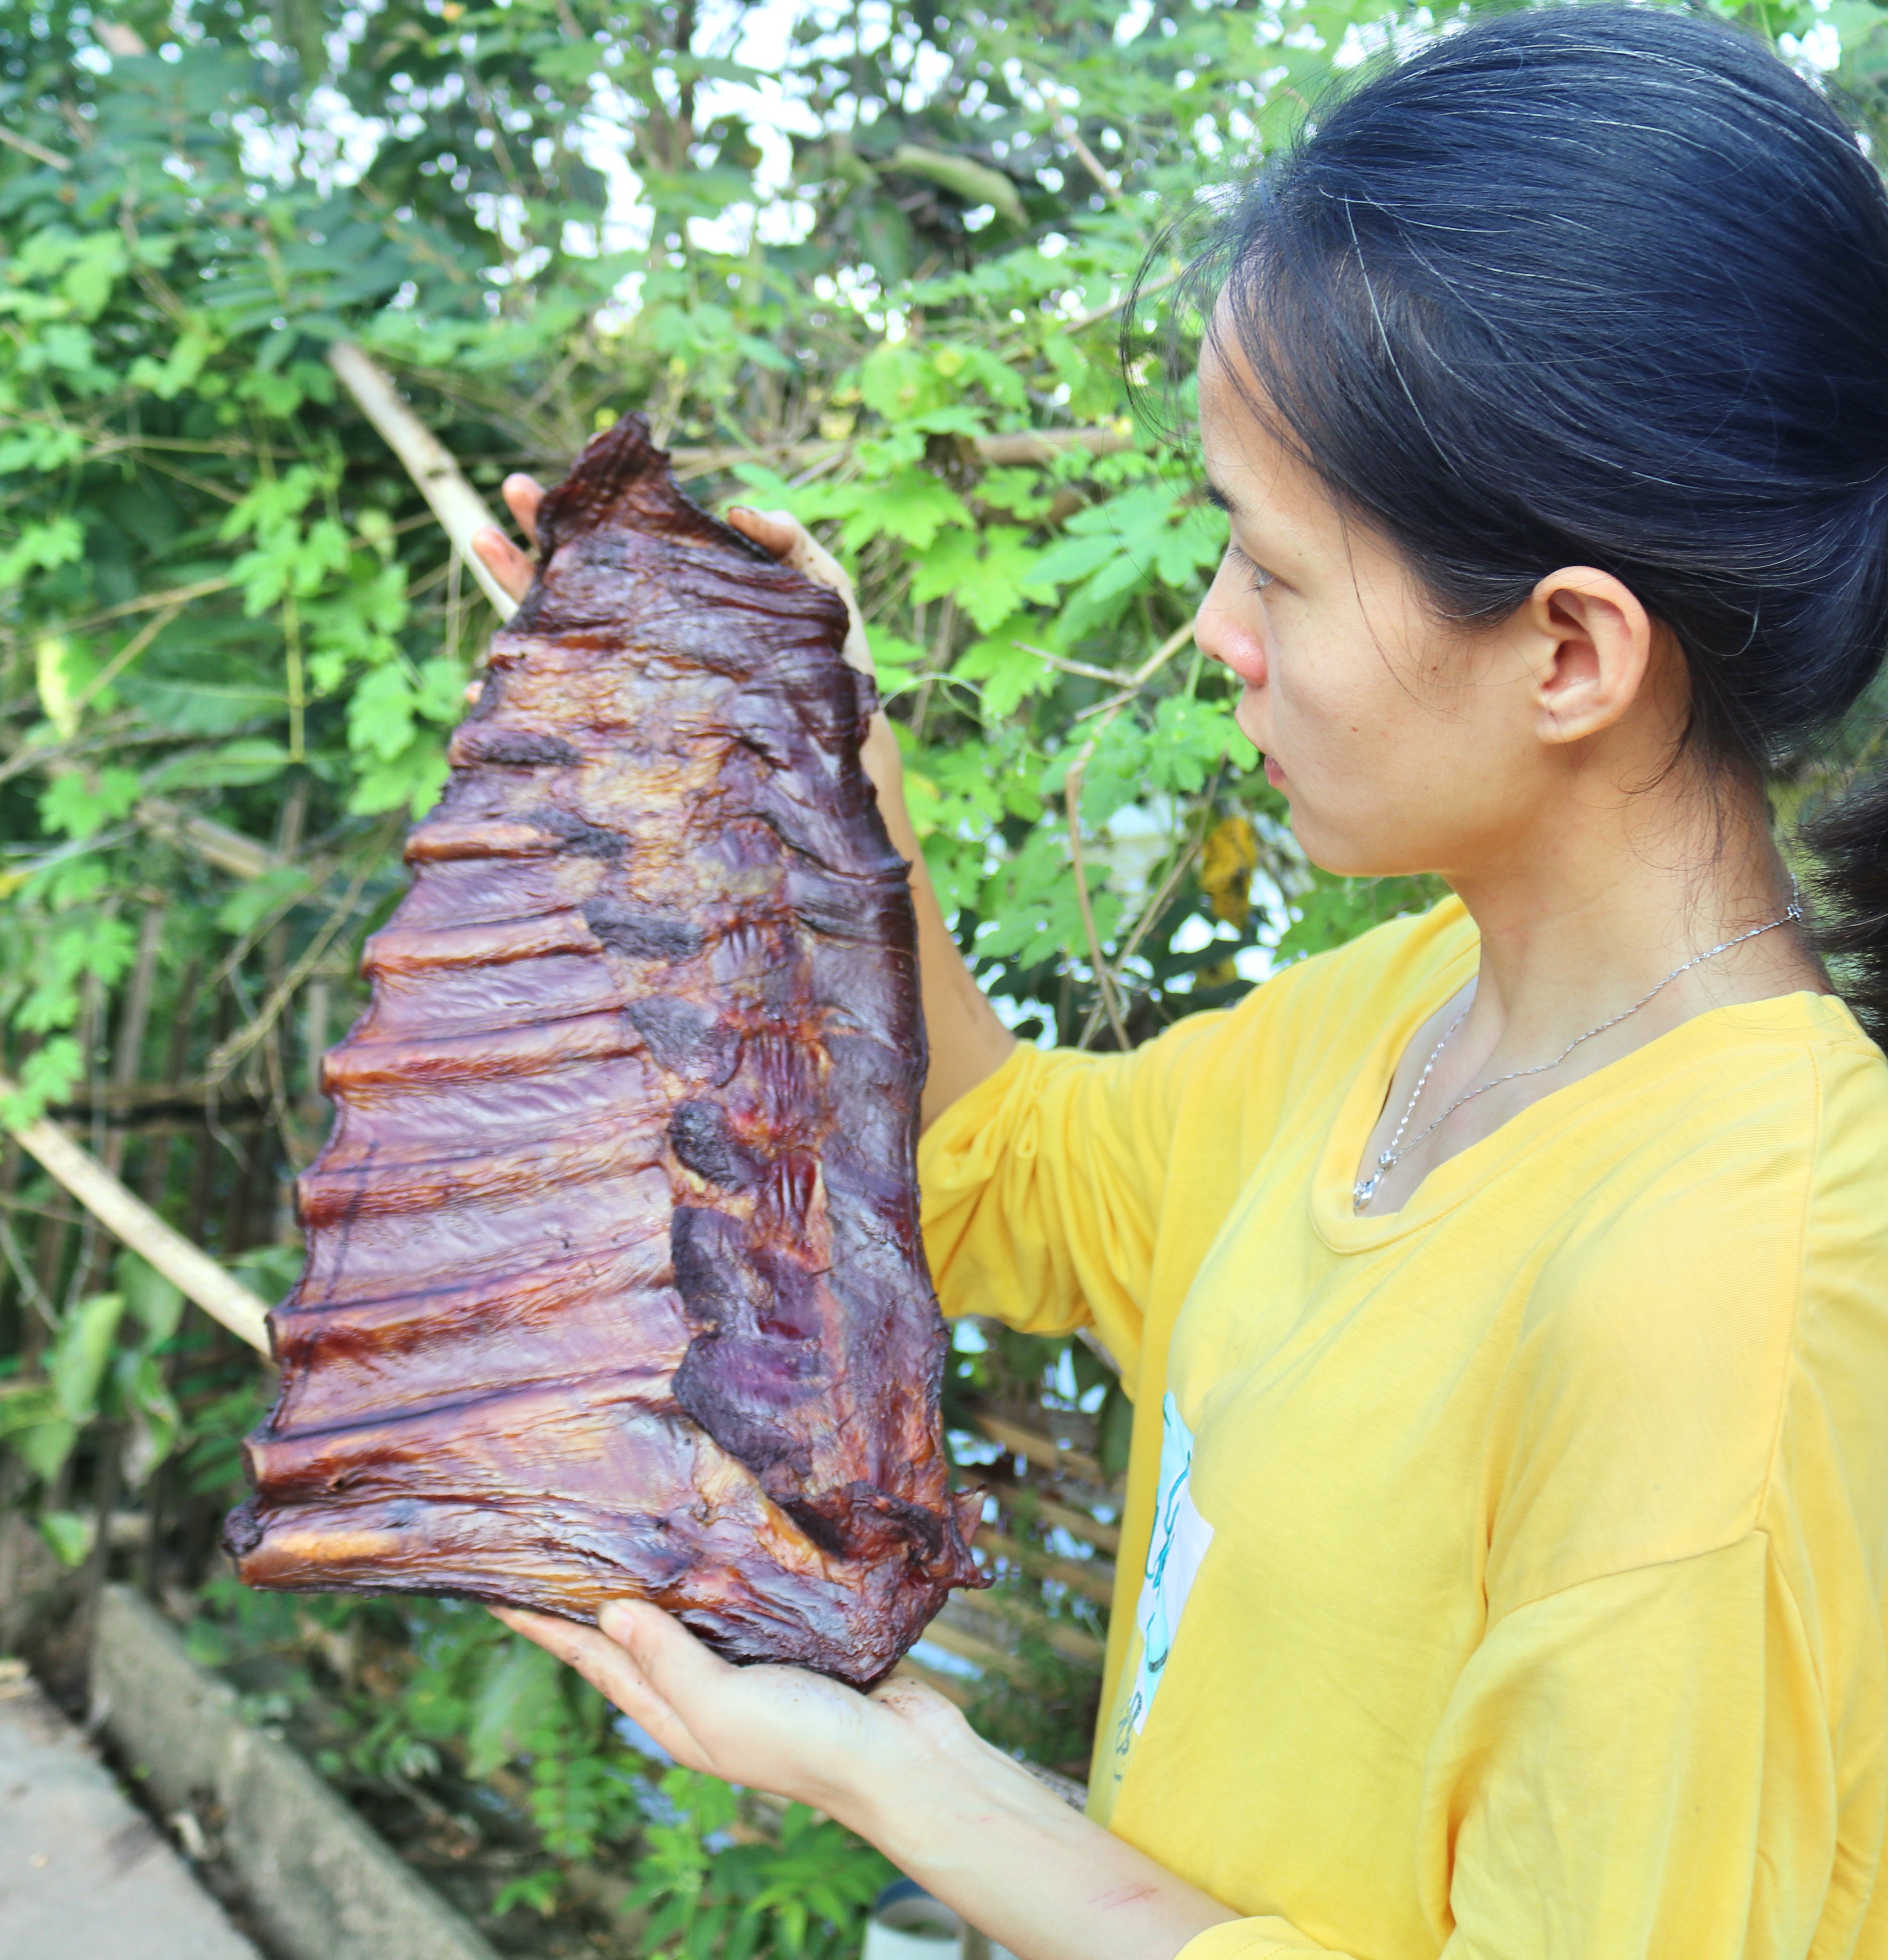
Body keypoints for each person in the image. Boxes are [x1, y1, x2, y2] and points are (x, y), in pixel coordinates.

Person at [470, 9, 1888, 1954]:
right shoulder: (1401, 1019)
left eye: (1277, 571)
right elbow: (982, 1170)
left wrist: (910, 1777)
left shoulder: (1735, 1297)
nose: (1217, 631)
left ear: (1569, 651)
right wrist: (821, 808)